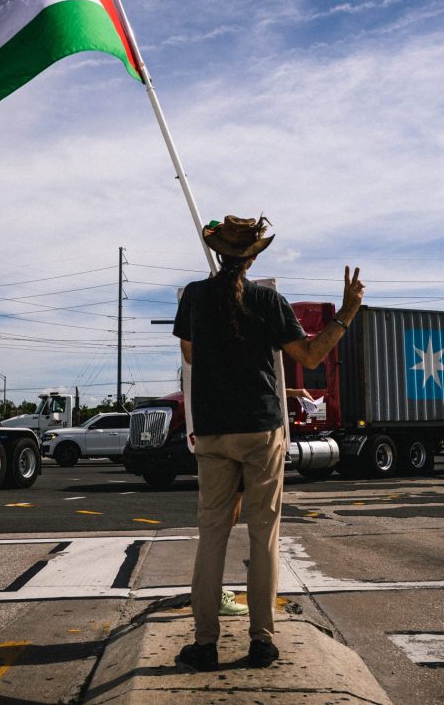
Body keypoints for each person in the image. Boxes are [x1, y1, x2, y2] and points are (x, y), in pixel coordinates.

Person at [173, 215, 364, 671]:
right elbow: (311, 355)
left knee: (211, 536)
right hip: (261, 429)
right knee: (264, 536)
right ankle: (261, 641)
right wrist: (347, 311)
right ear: (254, 256)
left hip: (214, 430)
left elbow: (190, 354)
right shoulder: (267, 300)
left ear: (219, 254)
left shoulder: (196, 297)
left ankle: (204, 644)